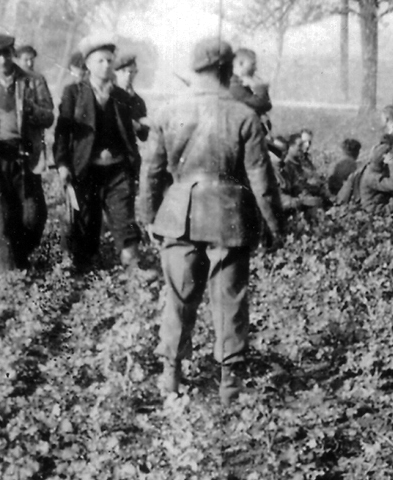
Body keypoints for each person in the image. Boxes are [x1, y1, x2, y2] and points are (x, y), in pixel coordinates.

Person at [145, 36, 283, 403]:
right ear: (227, 69)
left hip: (179, 212)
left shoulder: (167, 111)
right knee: (229, 298)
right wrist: (274, 226)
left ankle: (171, 374)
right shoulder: (244, 115)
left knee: (178, 295)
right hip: (229, 215)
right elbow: (262, 180)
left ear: (196, 69)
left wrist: (149, 216)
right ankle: (229, 382)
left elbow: (152, 172)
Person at [54, 36, 146, 272]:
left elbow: (131, 135)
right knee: (86, 223)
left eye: (109, 61)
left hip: (117, 171)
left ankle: (133, 268)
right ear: (88, 64)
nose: (106, 65)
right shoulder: (74, 93)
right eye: (100, 61)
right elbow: (63, 132)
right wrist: (62, 164)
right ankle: (83, 270)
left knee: (124, 219)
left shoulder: (121, 97)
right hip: (86, 170)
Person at [0, 34, 55, 272]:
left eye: (6, 54)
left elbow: (49, 116)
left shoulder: (33, 81)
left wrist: (31, 110)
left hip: (25, 154)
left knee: (33, 216)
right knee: (0, 218)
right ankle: (10, 274)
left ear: (12, 54)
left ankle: (20, 257)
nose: (2, 60)